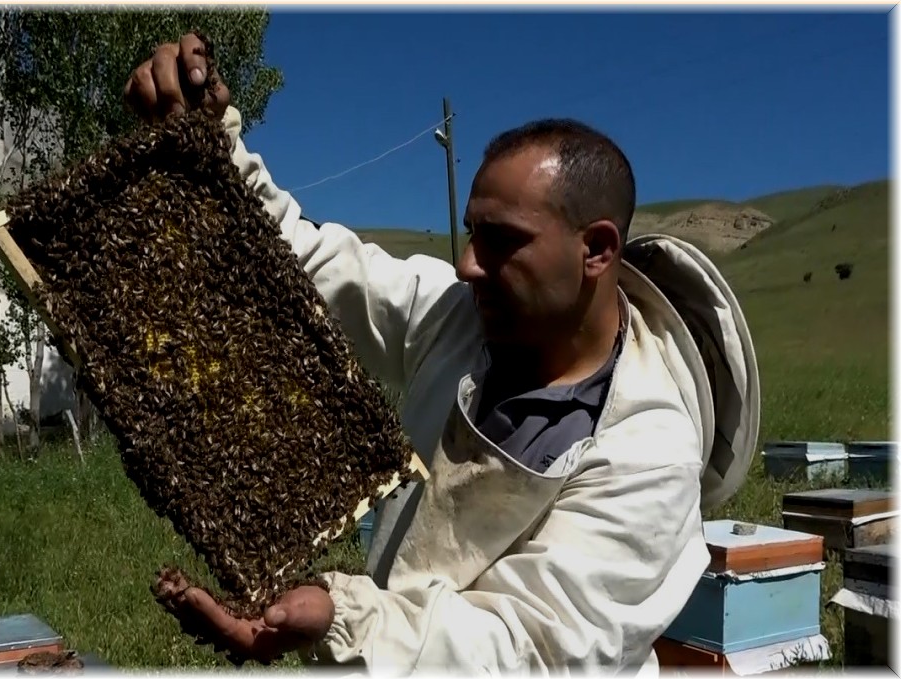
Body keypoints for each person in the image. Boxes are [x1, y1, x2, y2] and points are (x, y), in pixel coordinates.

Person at [126, 33, 761, 675]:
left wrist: (344, 615)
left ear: (595, 249)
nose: (466, 265)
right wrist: (214, 144)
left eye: (500, 241)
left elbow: (527, 652)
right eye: (470, 233)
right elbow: (308, 264)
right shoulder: (458, 317)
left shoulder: (648, 453)